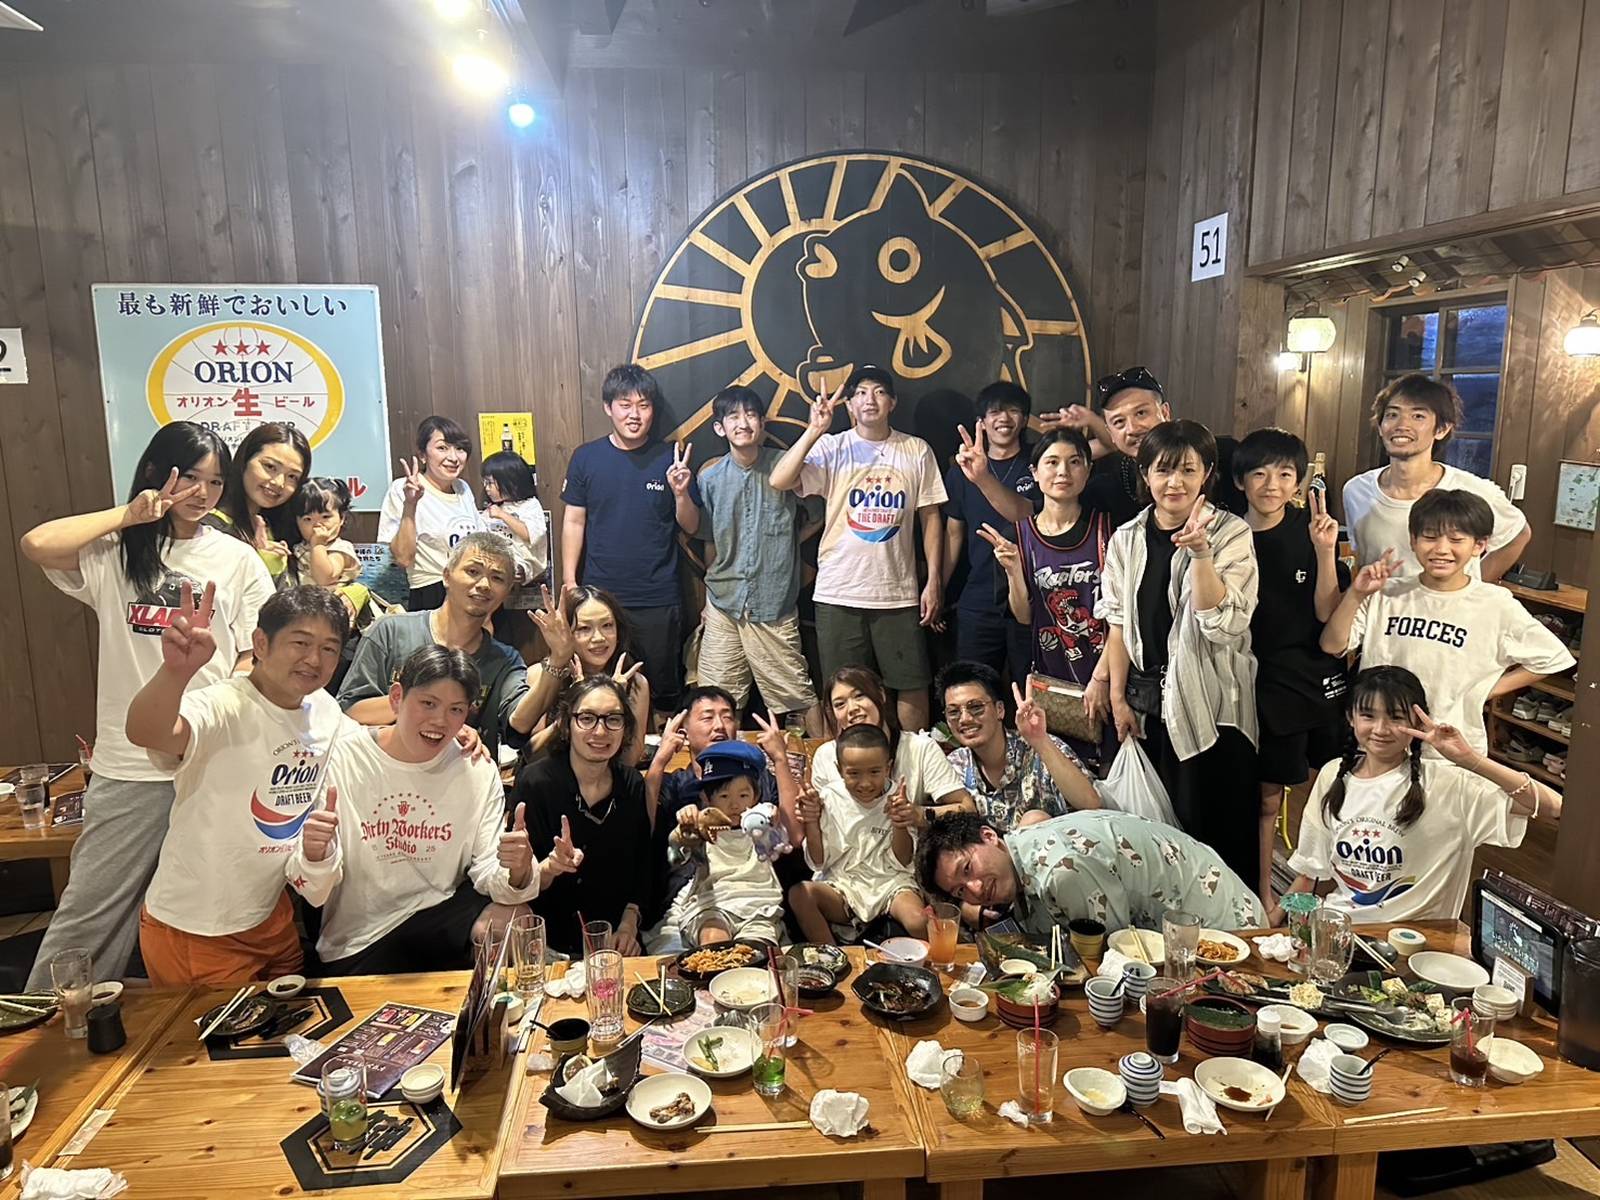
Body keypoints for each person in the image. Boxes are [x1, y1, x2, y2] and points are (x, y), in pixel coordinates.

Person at [19, 423, 273, 989]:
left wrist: (218, 705)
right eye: (191, 478)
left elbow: (254, 653)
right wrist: (129, 515)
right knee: (92, 909)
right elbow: (36, 544)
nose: (203, 493)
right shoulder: (116, 551)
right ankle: (46, 1025)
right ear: (159, 475)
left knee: (212, 910)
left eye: (216, 482)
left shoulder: (236, 558)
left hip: (209, 761)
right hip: (130, 764)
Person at [290, 646, 583, 973]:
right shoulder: (343, 759)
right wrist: (315, 854)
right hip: (359, 937)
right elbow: (312, 890)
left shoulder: (474, 768)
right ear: (397, 697)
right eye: (428, 703)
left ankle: (498, 1005)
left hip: (438, 914)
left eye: (456, 710)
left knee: (514, 918)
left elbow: (488, 871)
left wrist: (517, 869)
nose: (440, 721)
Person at [125, 586, 353, 986]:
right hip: (198, 926)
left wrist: (455, 738)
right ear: (260, 643)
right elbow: (147, 732)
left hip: (270, 913)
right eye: (300, 643)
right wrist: (175, 673)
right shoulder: (221, 703)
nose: (314, 659)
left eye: (329, 648)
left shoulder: (324, 710)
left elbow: (371, 746)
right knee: (217, 1031)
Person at [1099, 420, 1260, 891]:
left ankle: (1232, 924)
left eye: (1188, 470)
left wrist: (1202, 555)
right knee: (1159, 836)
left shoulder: (1231, 533)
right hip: (1148, 705)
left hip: (1213, 705)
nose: (1175, 482)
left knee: (1217, 834)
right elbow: (1117, 624)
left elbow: (1223, 624)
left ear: (1207, 473)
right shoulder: (1127, 537)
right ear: (1145, 474)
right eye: (1163, 470)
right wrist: (1118, 698)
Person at [1282, 666, 1559, 924]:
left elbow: (1554, 808)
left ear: (1417, 721)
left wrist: (1471, 760)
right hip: (1340, 932)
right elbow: (1312, 870)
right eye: (1368, 715)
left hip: (1420, 944)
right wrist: (1273, 922)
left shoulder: (1449, 784)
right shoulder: (1333, 774)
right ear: (1350, 718)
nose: (1380, 729)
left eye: (1395, 717)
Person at [1319, 490, 1573, 755]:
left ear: (1479, 545)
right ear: (1413, 540)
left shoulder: (1495, 603)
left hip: (1452, 749)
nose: (1441, 549)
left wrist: (1481, 692)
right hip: (1381, 742)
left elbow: (1553, 658)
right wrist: (1356, 594)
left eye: (1456, 539)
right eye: (1430, 537)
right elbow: (1332, 644)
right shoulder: (1386, 593)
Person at [770, 366, 946, 731]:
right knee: (843, 689)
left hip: (897, 593)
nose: (870, 400)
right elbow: (779, 479)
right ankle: (848, 761)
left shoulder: (915, 450)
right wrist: (815, 429)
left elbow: (931, 517)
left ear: (892, 402)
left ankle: (914, 761)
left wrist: (933, 581)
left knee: (911, 683)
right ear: (849, 405)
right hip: (839, 590)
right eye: (861, 393)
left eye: (879, 392)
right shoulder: (833, 447)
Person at [1233, 428, 1350, 909]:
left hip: (1305, 679)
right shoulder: (1226, 533)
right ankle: (1260, 895)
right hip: (1247, 679)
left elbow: (1327, 612)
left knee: (1327, 787)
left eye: (1284, 474)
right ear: (1240, 480)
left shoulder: (1313, 529)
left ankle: (1316, 892)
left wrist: (1324, 551)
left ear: (1299, 481)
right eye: (1259, 474)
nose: (1272, 485)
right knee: (1259, 794)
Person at [561, 363, 701, 716]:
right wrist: (569, 580)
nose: (634, 414)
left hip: (658, 596)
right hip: (600, 600)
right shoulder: (586, 457)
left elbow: (691, 526)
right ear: (608, 407)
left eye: (643, 405)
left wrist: (681, 493)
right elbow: (574, 520)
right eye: (625, 405)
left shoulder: (669, 458)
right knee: (599, 692)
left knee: (662, 693)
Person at [981, 426, 1116, 767]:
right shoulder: (1017, 535)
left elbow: (1124, 614)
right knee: (1053, 766)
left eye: (1074, 462)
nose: (1063, 472)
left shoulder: (1108, 530)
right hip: (1047, 676)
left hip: (1105, 671)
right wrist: (1014, 570)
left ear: (1088, 470)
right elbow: (1023, 617)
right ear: (1035, 473)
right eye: (1052, 462)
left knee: (1107, 769)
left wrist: (1104, 678)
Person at [918, 810, 1266, 937]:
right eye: (960, 891)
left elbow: (1110, 959)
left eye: (968, 868)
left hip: (1226, 933)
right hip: (1179, 933)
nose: (975, 889)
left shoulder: (1061, 870)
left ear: (988, 836)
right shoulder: (1021, 850)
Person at [695, 385, 821, 732]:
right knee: (717, 700)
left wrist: (788, 542)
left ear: (762, 423)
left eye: (750, 415)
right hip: (724, 602)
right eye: (733, 416)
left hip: (773, 601)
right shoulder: (711, 478)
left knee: (798, 694)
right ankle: (721, 760)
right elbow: (710, 539)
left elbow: (818, 514)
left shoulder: (785, 465)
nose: (743, 423)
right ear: (720, 427)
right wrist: (706, 599)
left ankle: (823, 758)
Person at [338, 532, 528, 758]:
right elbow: (348, 712)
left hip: (460, 772)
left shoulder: (505, 660)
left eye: (497, 578)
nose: (484, 584)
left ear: (507, 591)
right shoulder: (390, 631)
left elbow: (519, 724)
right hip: (382, 768)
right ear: (446, 576)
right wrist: (442, 719)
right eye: (473, 571)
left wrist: (556, 661)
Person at [510, 676, 653, 957]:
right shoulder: (536, 783)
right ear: (567, 724)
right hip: (549, 944)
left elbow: (644, 866)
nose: (600, 731)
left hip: (617, 941)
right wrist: (550, 867)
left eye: (613, 719)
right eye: (587, 718)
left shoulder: (632, 784)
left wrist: (628, 926)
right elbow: (519, 882)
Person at [1342, 374, 1530, 583]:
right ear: (1380, 426)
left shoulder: (1472, 491)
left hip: (1450, 604)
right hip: (1378, 603)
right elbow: (1361, 559)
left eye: (1418, 416)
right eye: (1392, 415)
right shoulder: (1356, 490)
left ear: (1442, 429)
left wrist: (1475, 587)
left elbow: (1518, 534)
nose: (1402, 425)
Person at [642, 686, 787, 942]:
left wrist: (780, 759)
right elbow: (642, 832)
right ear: (684, 731)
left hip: (754, 893)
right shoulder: (676, 783)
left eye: (727, 716)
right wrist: (660, 759)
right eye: (707, 717)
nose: (719, 725)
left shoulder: (758, 778)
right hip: (694, 896)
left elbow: (793, 836)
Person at [1039, 366, 1245, 526]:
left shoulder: (1224, 454)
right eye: (1119, 422)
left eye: (1141, 413)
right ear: (1110, 433)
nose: (1132, 429)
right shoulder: (1108, 487)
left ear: (1165, 412)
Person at [789, 723, 927, 943]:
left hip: (891, 883)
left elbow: (903, 861)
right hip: (843, 884)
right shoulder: (828, 797)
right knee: (799, 895)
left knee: (919, 921)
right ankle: (832, 955)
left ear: (888, 767)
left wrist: (899, 823)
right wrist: (811, 822)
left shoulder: (898, 798)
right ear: (839, 769)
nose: (865, 783)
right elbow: (818, 862)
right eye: (853, 773)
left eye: (874, 772)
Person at [942, 381, 1040, 685]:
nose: (1004, 418)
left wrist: (1082, 423)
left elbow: (1027, 513)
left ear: (1025, 419)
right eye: (995, 412)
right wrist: (939, 587)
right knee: (975, 686)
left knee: (1032, 687)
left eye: (1014, 411)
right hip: (979, 597)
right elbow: (953, 534)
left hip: (1033, 596)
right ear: (981, 422)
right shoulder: (961, 471)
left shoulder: (1041, 462)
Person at [936, 660, 1100, 831]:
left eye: (976, 707)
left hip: (1063, 843)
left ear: (999, 710)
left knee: (1033, 820)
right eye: (953, 712)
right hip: (995, 848)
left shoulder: (1039, 745)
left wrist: (1041, 741)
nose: (965, 719)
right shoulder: (954, 766)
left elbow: (1091, 804)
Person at [666, 740, 797, 946]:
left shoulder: (760, 822)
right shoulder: (703, 825)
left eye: (743, 795)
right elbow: (676, 852)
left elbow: (781, 838)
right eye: (724, 796)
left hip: (758, 906)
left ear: (756, 796)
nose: (734, 804)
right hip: (712, 905)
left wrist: (772, 820)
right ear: (706, 798)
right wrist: (684, 828)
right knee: (713, 941)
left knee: (756, 949)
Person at [809, 666, 974, 825]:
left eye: (859, 696)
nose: (852, 709)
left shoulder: (919, 748)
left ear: (881, 694)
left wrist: (919, 814)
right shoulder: (825, 755)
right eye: (840, 704)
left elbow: (967, 808)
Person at [517, 585, 650, 763]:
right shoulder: (540, 675)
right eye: (584, 628)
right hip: (550, 778)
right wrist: (575, 704)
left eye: (607, 626)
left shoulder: (635, 683)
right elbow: (531, 755)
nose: (599, 638)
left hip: (607, 779)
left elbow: (628, 761)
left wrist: (615, 701)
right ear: (565, 633)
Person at [381, 416, 486, 611]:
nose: (453, 457)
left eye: (460, 448)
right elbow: (403, 558)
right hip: (431, 592)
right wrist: (410, 504)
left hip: (472, 589)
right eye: (442, 448)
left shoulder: (462, 488)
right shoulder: (402, 489)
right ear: (423, 455)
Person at [205, 422, 312, 587]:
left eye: (292, 477)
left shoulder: (288, 528)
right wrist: (263, 566)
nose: (279, 483)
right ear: (245, 460)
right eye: (270, 467)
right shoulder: (209, 526)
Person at [481, 450, 549, 650]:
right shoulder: (492, 508)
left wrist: (502, 515)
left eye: (490, 483)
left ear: (510, 481)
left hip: (523, 563)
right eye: (485, 483)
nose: (487, 488)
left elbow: (529, 534)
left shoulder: (529, 506)